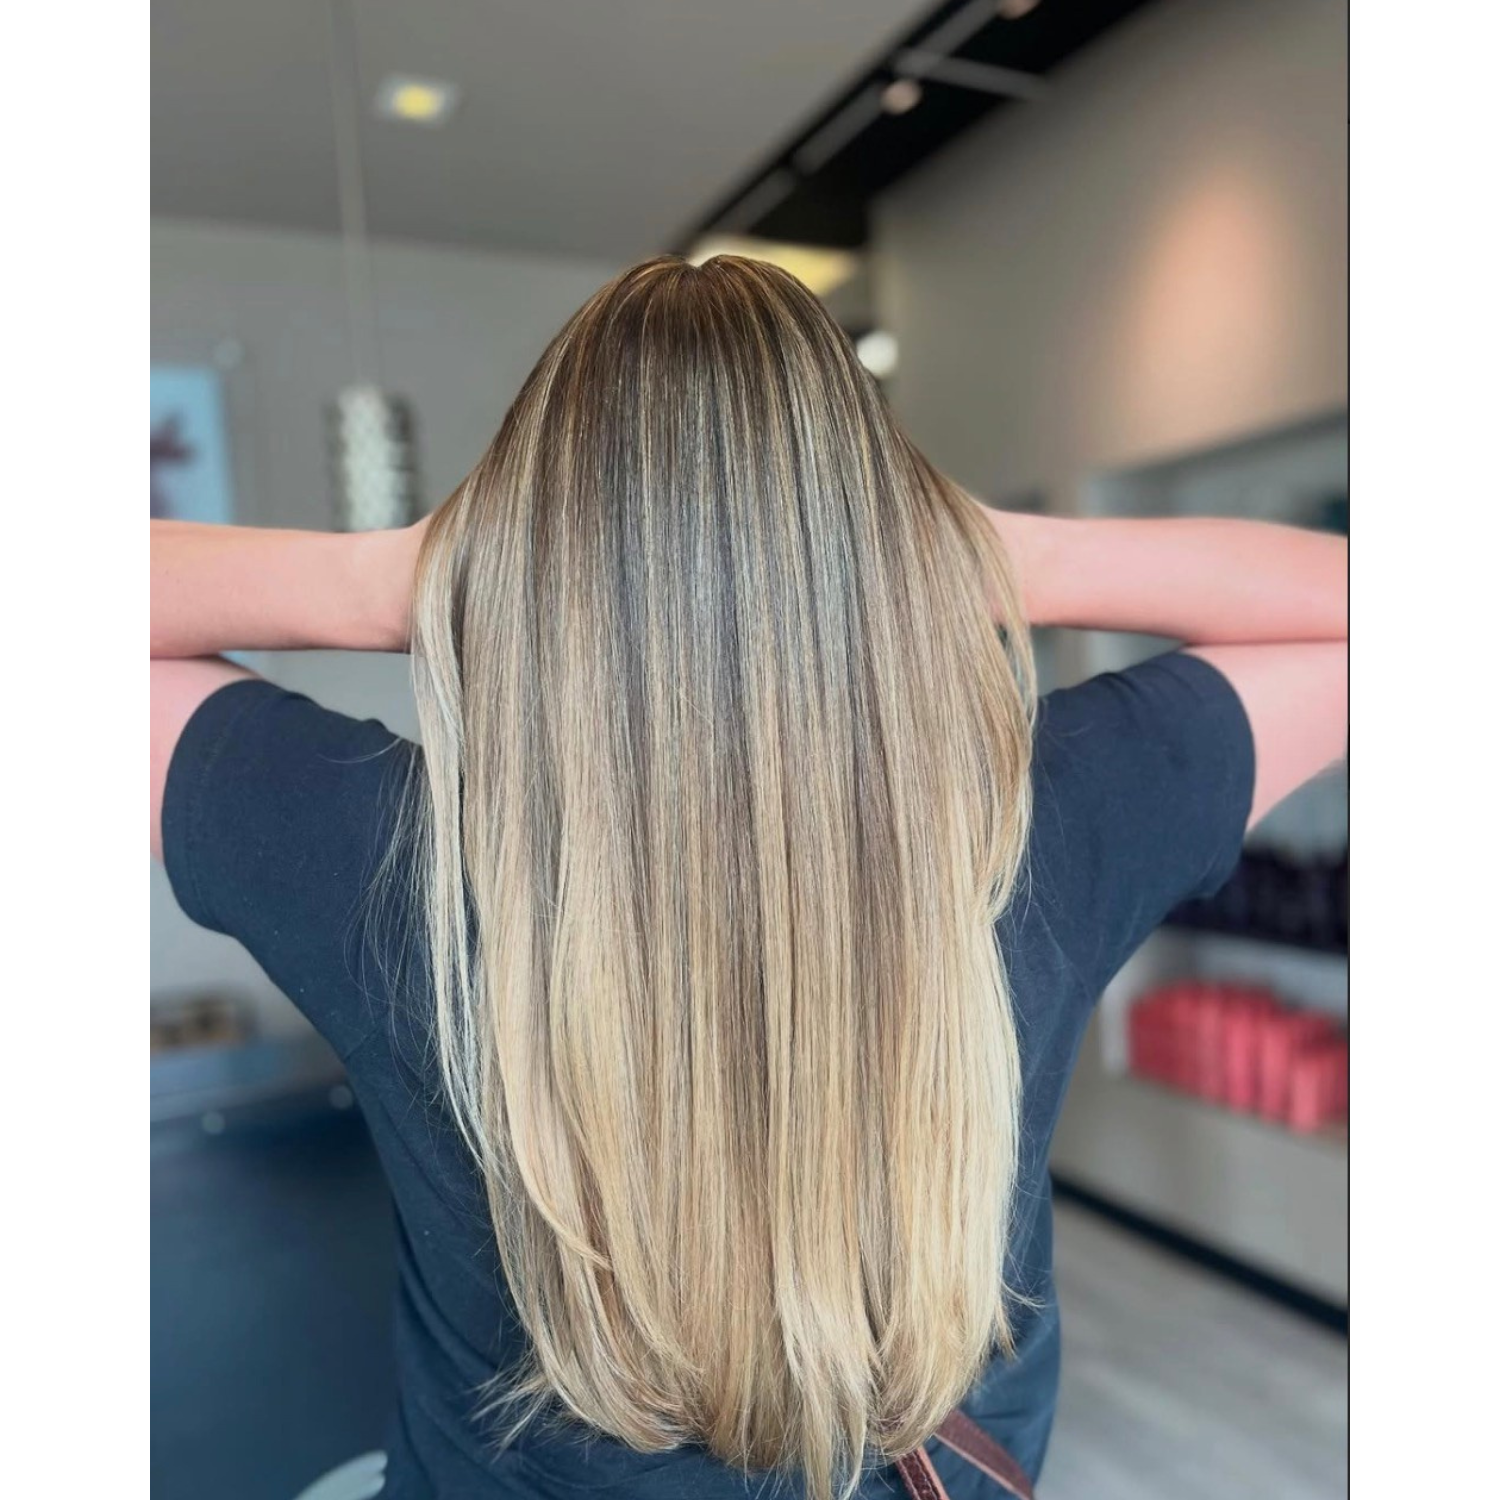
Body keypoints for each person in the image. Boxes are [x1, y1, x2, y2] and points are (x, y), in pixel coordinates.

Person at [150, 255, 1348, 1500]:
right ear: (885, 541)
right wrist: (989, 556)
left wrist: (403, 578)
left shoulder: (374, 847)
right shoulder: (1047, 815)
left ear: (532, 544)